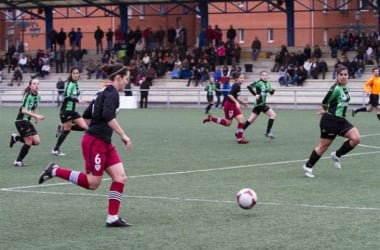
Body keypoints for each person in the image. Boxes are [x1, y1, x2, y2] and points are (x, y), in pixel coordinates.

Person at [38, 63, 133, 228]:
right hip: (96, 142)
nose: (127, 82)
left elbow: (87, 116)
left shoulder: (102, 91)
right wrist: (123, 135)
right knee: (93, 183)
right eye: (126, 79)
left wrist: (71, 128)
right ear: (118, 78)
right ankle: (54, 170)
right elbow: (107, 115)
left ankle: (112, 217)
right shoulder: (112, 93)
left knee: (120, 177)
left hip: (103, 142)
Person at [302, 66, 361, 178]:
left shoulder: (346, 87)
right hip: (330, 120)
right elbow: (325, 102)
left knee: (356, 138)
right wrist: (325, 110)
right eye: (341, 75)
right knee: (324, 146)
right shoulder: (335, 88)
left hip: (342, 120)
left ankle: (337, 155)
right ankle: (308, 166)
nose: (343, 77)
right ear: (337, 76)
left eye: (345, 74)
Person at [202, 72, 249, 144]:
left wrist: (242, 103)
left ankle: (240, 138)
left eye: (243, 78)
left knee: (241, 120)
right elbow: (230, 95)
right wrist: (236, 103)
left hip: (232, 105)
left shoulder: (238, 85)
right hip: (229, 106)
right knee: (228, 123)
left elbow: (234, 96)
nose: (243, 79)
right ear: (236, 79)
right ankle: (210, 118)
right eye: (241, 78)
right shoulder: (236, 85)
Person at [52, 67, 88, 156]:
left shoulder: (78, 84)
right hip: (66, 111)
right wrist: (78, 100)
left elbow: (75, 94)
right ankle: (55, 149)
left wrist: (78, 99)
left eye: (77, 73)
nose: (75, 75)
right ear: (71, 74)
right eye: (74, 73)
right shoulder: (69, 84)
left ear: (79, 74)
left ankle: (62, 127)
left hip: (72, 111)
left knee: (84, 127)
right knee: (67, 130)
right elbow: (67, 97)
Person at [9, 78, 45, 167]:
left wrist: (36, 118)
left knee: (36, 141)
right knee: (29, 141)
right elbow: (23, 110)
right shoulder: (28, 96)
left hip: (27, 121)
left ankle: (16, 138)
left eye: (37, 84)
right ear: (30, 86)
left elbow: (36, 107)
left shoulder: (38, 96)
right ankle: (18, 161)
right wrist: (36, 116)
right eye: (34, 84)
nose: (36, 85)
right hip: (20, 120)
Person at [244, 71, 276, 139]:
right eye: (263, 75)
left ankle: (239, 131)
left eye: (266, 75)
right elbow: (249, 86)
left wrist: (273, 91)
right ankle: (268, 132)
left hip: (259, 104)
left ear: (267, 76)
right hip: (260, 103)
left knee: (251, 120)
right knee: (273, 115)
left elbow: (271, 92)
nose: (264, 76)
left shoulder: (268, 83)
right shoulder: (259, 82)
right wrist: (255, 94)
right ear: (260, 76)